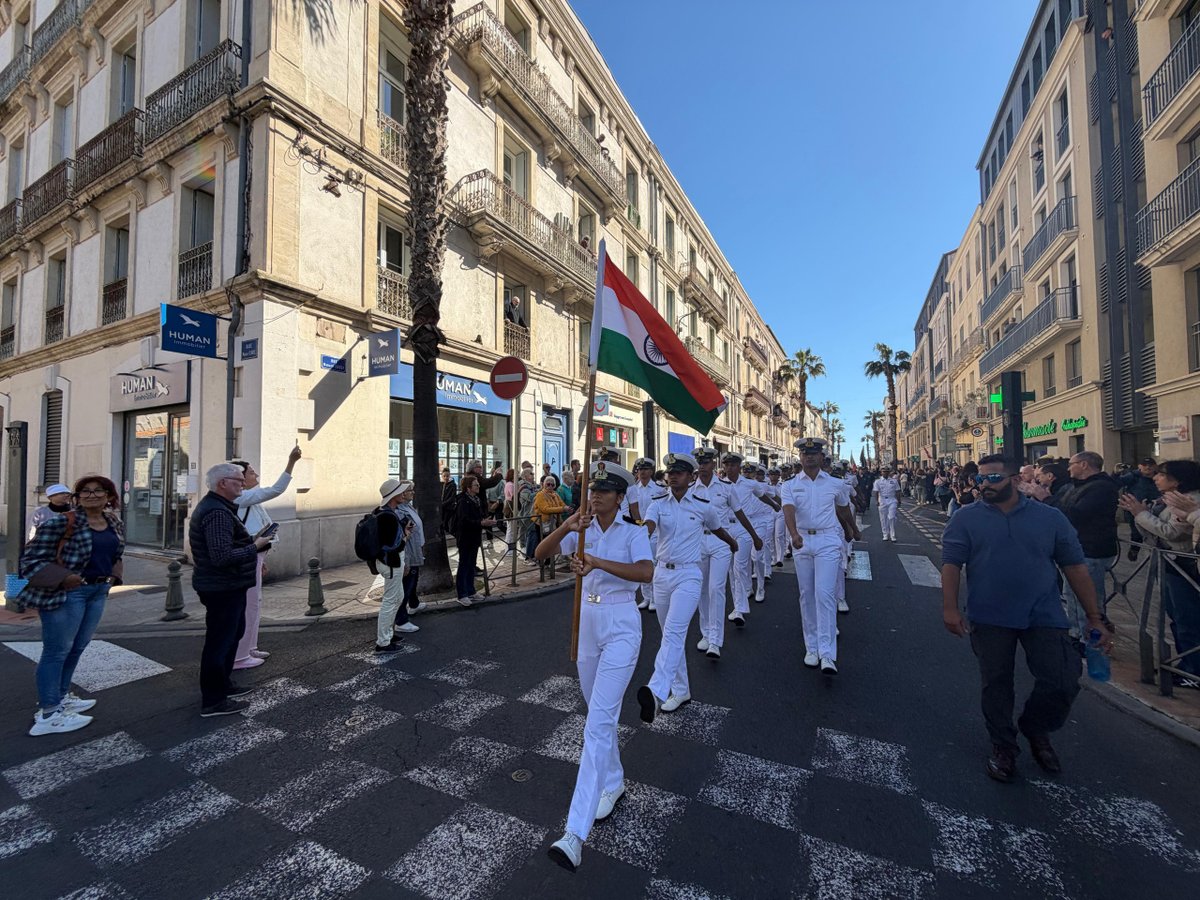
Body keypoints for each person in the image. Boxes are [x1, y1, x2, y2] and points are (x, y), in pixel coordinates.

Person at [941, 454, 1112, 782]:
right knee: (996, 683)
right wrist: (949, 608)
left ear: (1016, 480)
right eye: (980, 479)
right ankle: (1003, 745)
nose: (983, 485)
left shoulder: (1050, 518)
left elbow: (1074, 566)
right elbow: (951, 563)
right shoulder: (965, 518)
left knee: (1061, 679)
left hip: (1044, 613)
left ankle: (1036, 728)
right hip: (989, 615)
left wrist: (1094, 617)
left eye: (993, 479)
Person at [537, 462, 653, 872]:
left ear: (620, 497)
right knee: (597, 715)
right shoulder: (581, 529)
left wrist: (599, 563)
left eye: (605, 489)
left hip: (622, 626)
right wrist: (567, 527)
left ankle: (574, 833)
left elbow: (644, 572)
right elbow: (539, 554)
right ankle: (614, 780)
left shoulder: (634, 531)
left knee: (598, 723)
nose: (596, 494)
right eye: (592, 488)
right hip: (586, 624)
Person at [20, 475, 125, 736]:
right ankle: (48, 712)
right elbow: (30, 560)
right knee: (57, 651)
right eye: (85, 492)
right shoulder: (62, 522)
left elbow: (116, 553)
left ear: (109, 496)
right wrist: (65, 578)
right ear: (77, 497)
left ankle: (61, 695)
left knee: (77, 646)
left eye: (98, 491)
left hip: (98, 591)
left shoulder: (113, 522)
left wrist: (113, 576)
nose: (92, 495)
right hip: (70, 592)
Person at [639, 453, 737, 719]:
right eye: (670, 472)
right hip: (662, 574)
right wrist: (635, 535)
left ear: (691, 477)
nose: (672, 476)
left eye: (679, 472)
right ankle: (681, 690)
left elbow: (717, 528)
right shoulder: (658, 504)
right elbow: (648, 527)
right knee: (669, 637)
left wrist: (733, 543)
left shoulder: (703, 505)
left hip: (689, 575)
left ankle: (657, 690)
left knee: (673, 631)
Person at [190, 463, 273, 716]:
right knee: (220, 642)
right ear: (222, 483)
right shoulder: (216, 512)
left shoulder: (220, 508)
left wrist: (250, 540)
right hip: (221, 585)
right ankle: (214, 700)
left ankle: (224, 685)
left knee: (230, 636)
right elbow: (222, 556)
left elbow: (225, 546)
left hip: (228, 584)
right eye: (238, 480)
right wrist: (255, 546)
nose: (243, 483)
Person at [783, 438, 860, 674]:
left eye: (814, 453)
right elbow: (788, 509)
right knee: (807, 595)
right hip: (803, 540)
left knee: (825, 594)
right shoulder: (790, 485)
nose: (810, 457)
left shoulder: (836, 484)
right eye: (806, 454)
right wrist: (794, 534)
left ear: (821, 457)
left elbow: (844, 508)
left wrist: (852, 529)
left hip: (827, 540)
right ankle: (812, 647)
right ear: (800, 457)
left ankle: (827, 653)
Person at [1120, 460, 1200, 685]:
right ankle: (1186, 664)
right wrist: (1142, 513)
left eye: (1161, 474)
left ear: (1178, 480)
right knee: (1177, 617)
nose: (1155, 477)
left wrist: (1140, 514)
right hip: (1169, 564)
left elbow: (1172, 533)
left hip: (1183, 565)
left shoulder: (1189, 501)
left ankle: (1194, 670)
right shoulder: (1169, 500)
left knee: (1188, 619)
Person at [230, 445, 302, 670]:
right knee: (248, 605)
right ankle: (240, 656)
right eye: (251, 472)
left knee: (255, 603)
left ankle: (249, 647)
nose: (256, 475)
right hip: (247, 557)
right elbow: (276, 490)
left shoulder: (249, 499)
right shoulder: (241, 498)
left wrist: (262, 560)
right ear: (240, 478)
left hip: (256, 556)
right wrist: (291, 462)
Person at [1057, 451, 1120, 634]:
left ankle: (1091, 640)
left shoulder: (1101, 487)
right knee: (1072, 595)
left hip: (1091, 548)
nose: (1069, 467)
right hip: (1077, 547)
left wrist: (1044, 498)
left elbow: (1075, 514)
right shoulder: (1075, 486)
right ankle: (1077, 634)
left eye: (1072, 463)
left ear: (1084, 465)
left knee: (1089, 597)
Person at [690, 448, 742, 659]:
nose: (702, 465)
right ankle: (706, 633)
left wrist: (752, 537)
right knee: (702, 589)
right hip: (698, 542)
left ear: (714, 464)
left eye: (706, 462)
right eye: (699, 462)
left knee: (716, 588)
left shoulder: (726, 488)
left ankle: (715, 640)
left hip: (721, 541)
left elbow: (739, 512)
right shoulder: (691, 488)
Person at [720, 453, 770, 625]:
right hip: (725, 529)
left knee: (739, 566)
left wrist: (776, 505)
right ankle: (737, 604)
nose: (729, 468)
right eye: (726, 465)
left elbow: (762, 495)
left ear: (738, 467)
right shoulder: (718, 485)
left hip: (744, 527)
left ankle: (740, 608)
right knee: (730, 571)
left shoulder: (749, 484)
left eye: (733, 465)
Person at [373, 479, 417, 653]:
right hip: (391, 562)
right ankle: (383, 642)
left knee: (397, 597)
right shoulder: (388, 516)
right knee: (390, 601)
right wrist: (406, 535)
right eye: (400, 491)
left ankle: (388, 634)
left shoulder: (383, 512)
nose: (403, 493)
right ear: (394, 496)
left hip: (392, 562)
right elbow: (394, 545)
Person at [453, 475, 495, 605]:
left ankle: (471, 591)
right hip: (465, 537)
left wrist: (484, 520)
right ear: (468, 488)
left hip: (474, 536)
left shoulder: (476, 499)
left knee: (471, 565)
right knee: (464, 564)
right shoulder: (463, 501)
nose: (479, 486)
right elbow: (464, 521)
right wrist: (481, 522)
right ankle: (462, 594)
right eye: (476, 485)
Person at [626, 458, 660, 612]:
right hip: (638, 530)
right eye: (640, 470)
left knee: (653, 564)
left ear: (651, 471)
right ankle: (646, 597)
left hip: (655, 532)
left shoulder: (659, 489)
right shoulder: (634, 489)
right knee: (640, 561)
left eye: (646, 469)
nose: (643, 472)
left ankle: (655, 597)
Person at [394, 480, 425, 624]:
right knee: (407, 583)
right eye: (410, 490)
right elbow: (404, 535)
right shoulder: (399, 511)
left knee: (414, 578)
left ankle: (414, 604)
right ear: (402, 494)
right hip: (409, 551)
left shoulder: (409, 507)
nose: (413, 492)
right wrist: (405, 560)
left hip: (415, 547)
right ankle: (401, 619)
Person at [1119, 458, 1160, 561]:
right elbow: (1116, 483)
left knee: (1155, 531)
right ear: (1139, 466)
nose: (1148, 467)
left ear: (1155, 466)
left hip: (1156, 508)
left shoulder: (1160, 476)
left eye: (1150, 464)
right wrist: (1115, 474)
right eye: (1144, 464)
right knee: (1136, 531)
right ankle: (1135, 549)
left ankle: (1156, 553)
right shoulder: (1133, 476)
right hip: (1135, 509)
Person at [533, 475, 568, 561]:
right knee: (542, 542)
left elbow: (562, 504)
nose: (550, 486)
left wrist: (567, 508)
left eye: (552, 485)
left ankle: (548, 562)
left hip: (553, 522)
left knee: (551, 542)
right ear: (544, 484)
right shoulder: (540, 495)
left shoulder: (555, 494)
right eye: (548, 484)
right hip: (542, 522)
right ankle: (542, 562)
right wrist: (562, 509)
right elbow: (545, 509)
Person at [872, 466, 901, 541]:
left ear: (889, 472)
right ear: (881, 472)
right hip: (882, 500)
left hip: (892, 499)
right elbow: (876, 492)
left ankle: (893, 535)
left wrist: (899, 500)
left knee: (891, 517)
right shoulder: (877, 481)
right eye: (884, 471)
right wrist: (876, 501)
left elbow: (898, 491)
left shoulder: (894, 481)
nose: (885, 473)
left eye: (887, 472)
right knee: (883, 518)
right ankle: (885, 534)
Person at [767, 467, 789, 568]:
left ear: (778, 476)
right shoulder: (766, 486)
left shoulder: (783, 486)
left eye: (775, 475)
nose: (773, 477)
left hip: (780, 511)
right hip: (769, 512)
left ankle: (780, 558)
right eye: (771, 475)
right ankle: (773, 558)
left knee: (779, 535)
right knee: (771, 535)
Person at [440, 469, 457, 534]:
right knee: (442, 522)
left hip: (449, 507)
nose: (446, 478)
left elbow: (452, 498)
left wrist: (443, 504)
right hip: (442, 507)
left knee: (445, 522)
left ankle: (447, 534)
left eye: (447, 476)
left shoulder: (452, 485)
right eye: (444, 476)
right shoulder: (441, 484)